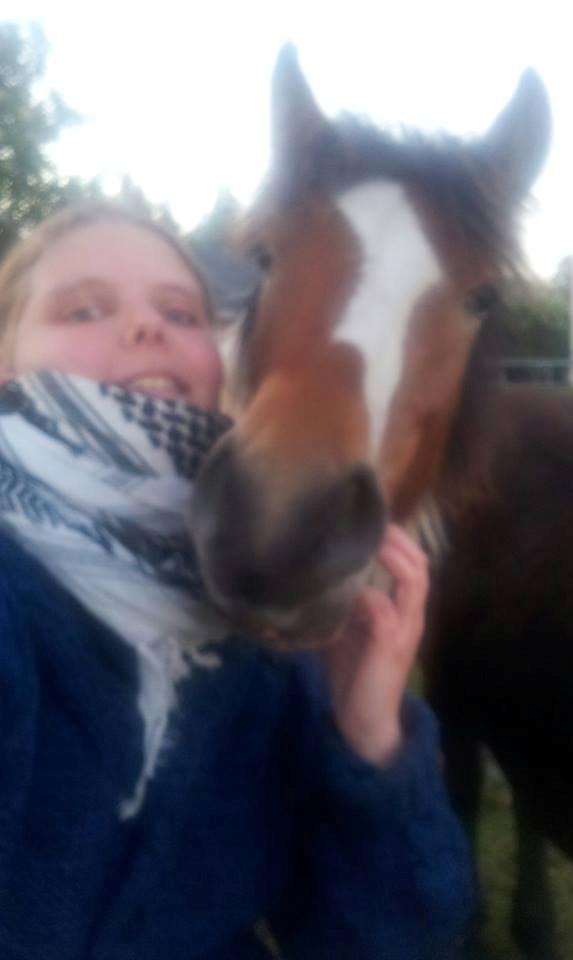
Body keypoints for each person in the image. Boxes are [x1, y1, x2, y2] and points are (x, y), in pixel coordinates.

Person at [0, 202, 475, 960]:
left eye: (181, 313)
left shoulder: (259, 618)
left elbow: (375, 940)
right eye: (84, 308)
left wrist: (370, 741)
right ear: (7, 363)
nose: (143, 327)